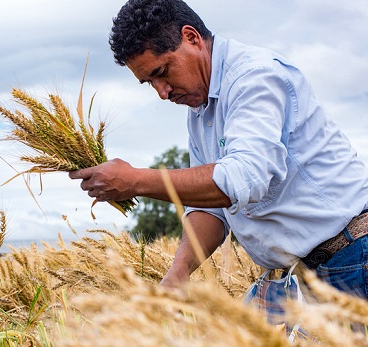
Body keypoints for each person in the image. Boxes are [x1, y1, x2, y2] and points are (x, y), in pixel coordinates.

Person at [69, 0, 368, 299]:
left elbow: (242, 179)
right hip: (298, 276)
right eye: (149, 83)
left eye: (162, 72)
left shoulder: (255, 79)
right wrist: (178, 273)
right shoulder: (201, 107)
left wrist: (135, 181)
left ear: (191, 38)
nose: (162, 92)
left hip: (353, 257)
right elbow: (211, 207)